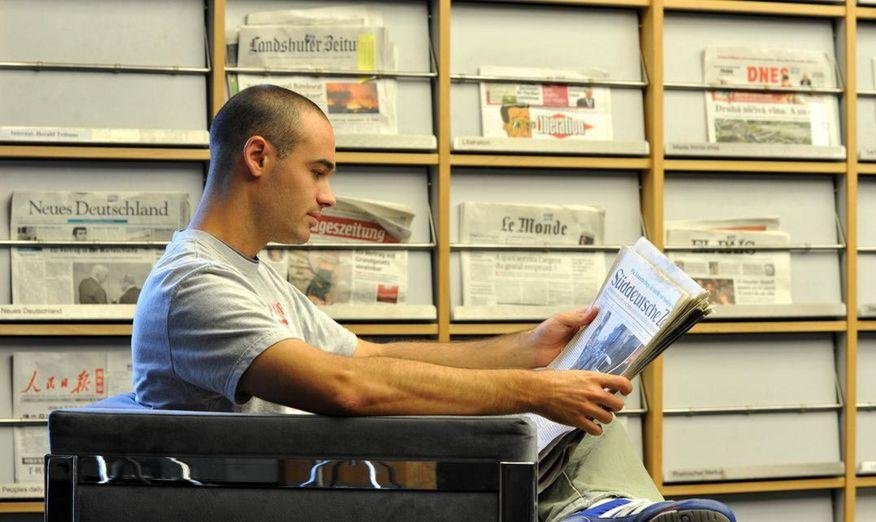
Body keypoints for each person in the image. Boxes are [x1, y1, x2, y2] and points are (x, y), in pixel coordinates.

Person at [131, 85, 735, 522]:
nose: (328, 195)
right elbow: (347, 387)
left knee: (575, 404)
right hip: (300, 489)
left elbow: (365, 356)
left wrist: (529, 350)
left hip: (323, 469)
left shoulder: (251, 273)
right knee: (555, 405)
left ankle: (610, 514)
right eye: (318, 171)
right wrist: (532, 390)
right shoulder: (196, 284)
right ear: (259, 157)